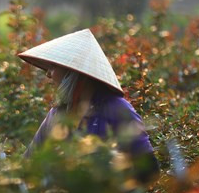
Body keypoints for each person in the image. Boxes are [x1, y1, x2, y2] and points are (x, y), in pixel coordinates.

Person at [19, 28, 160, 183]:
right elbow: (29, 163)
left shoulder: (116, 109)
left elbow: (149, 170)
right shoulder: (57, 114)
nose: (48, 74)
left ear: (72, 72)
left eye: (53, 67)